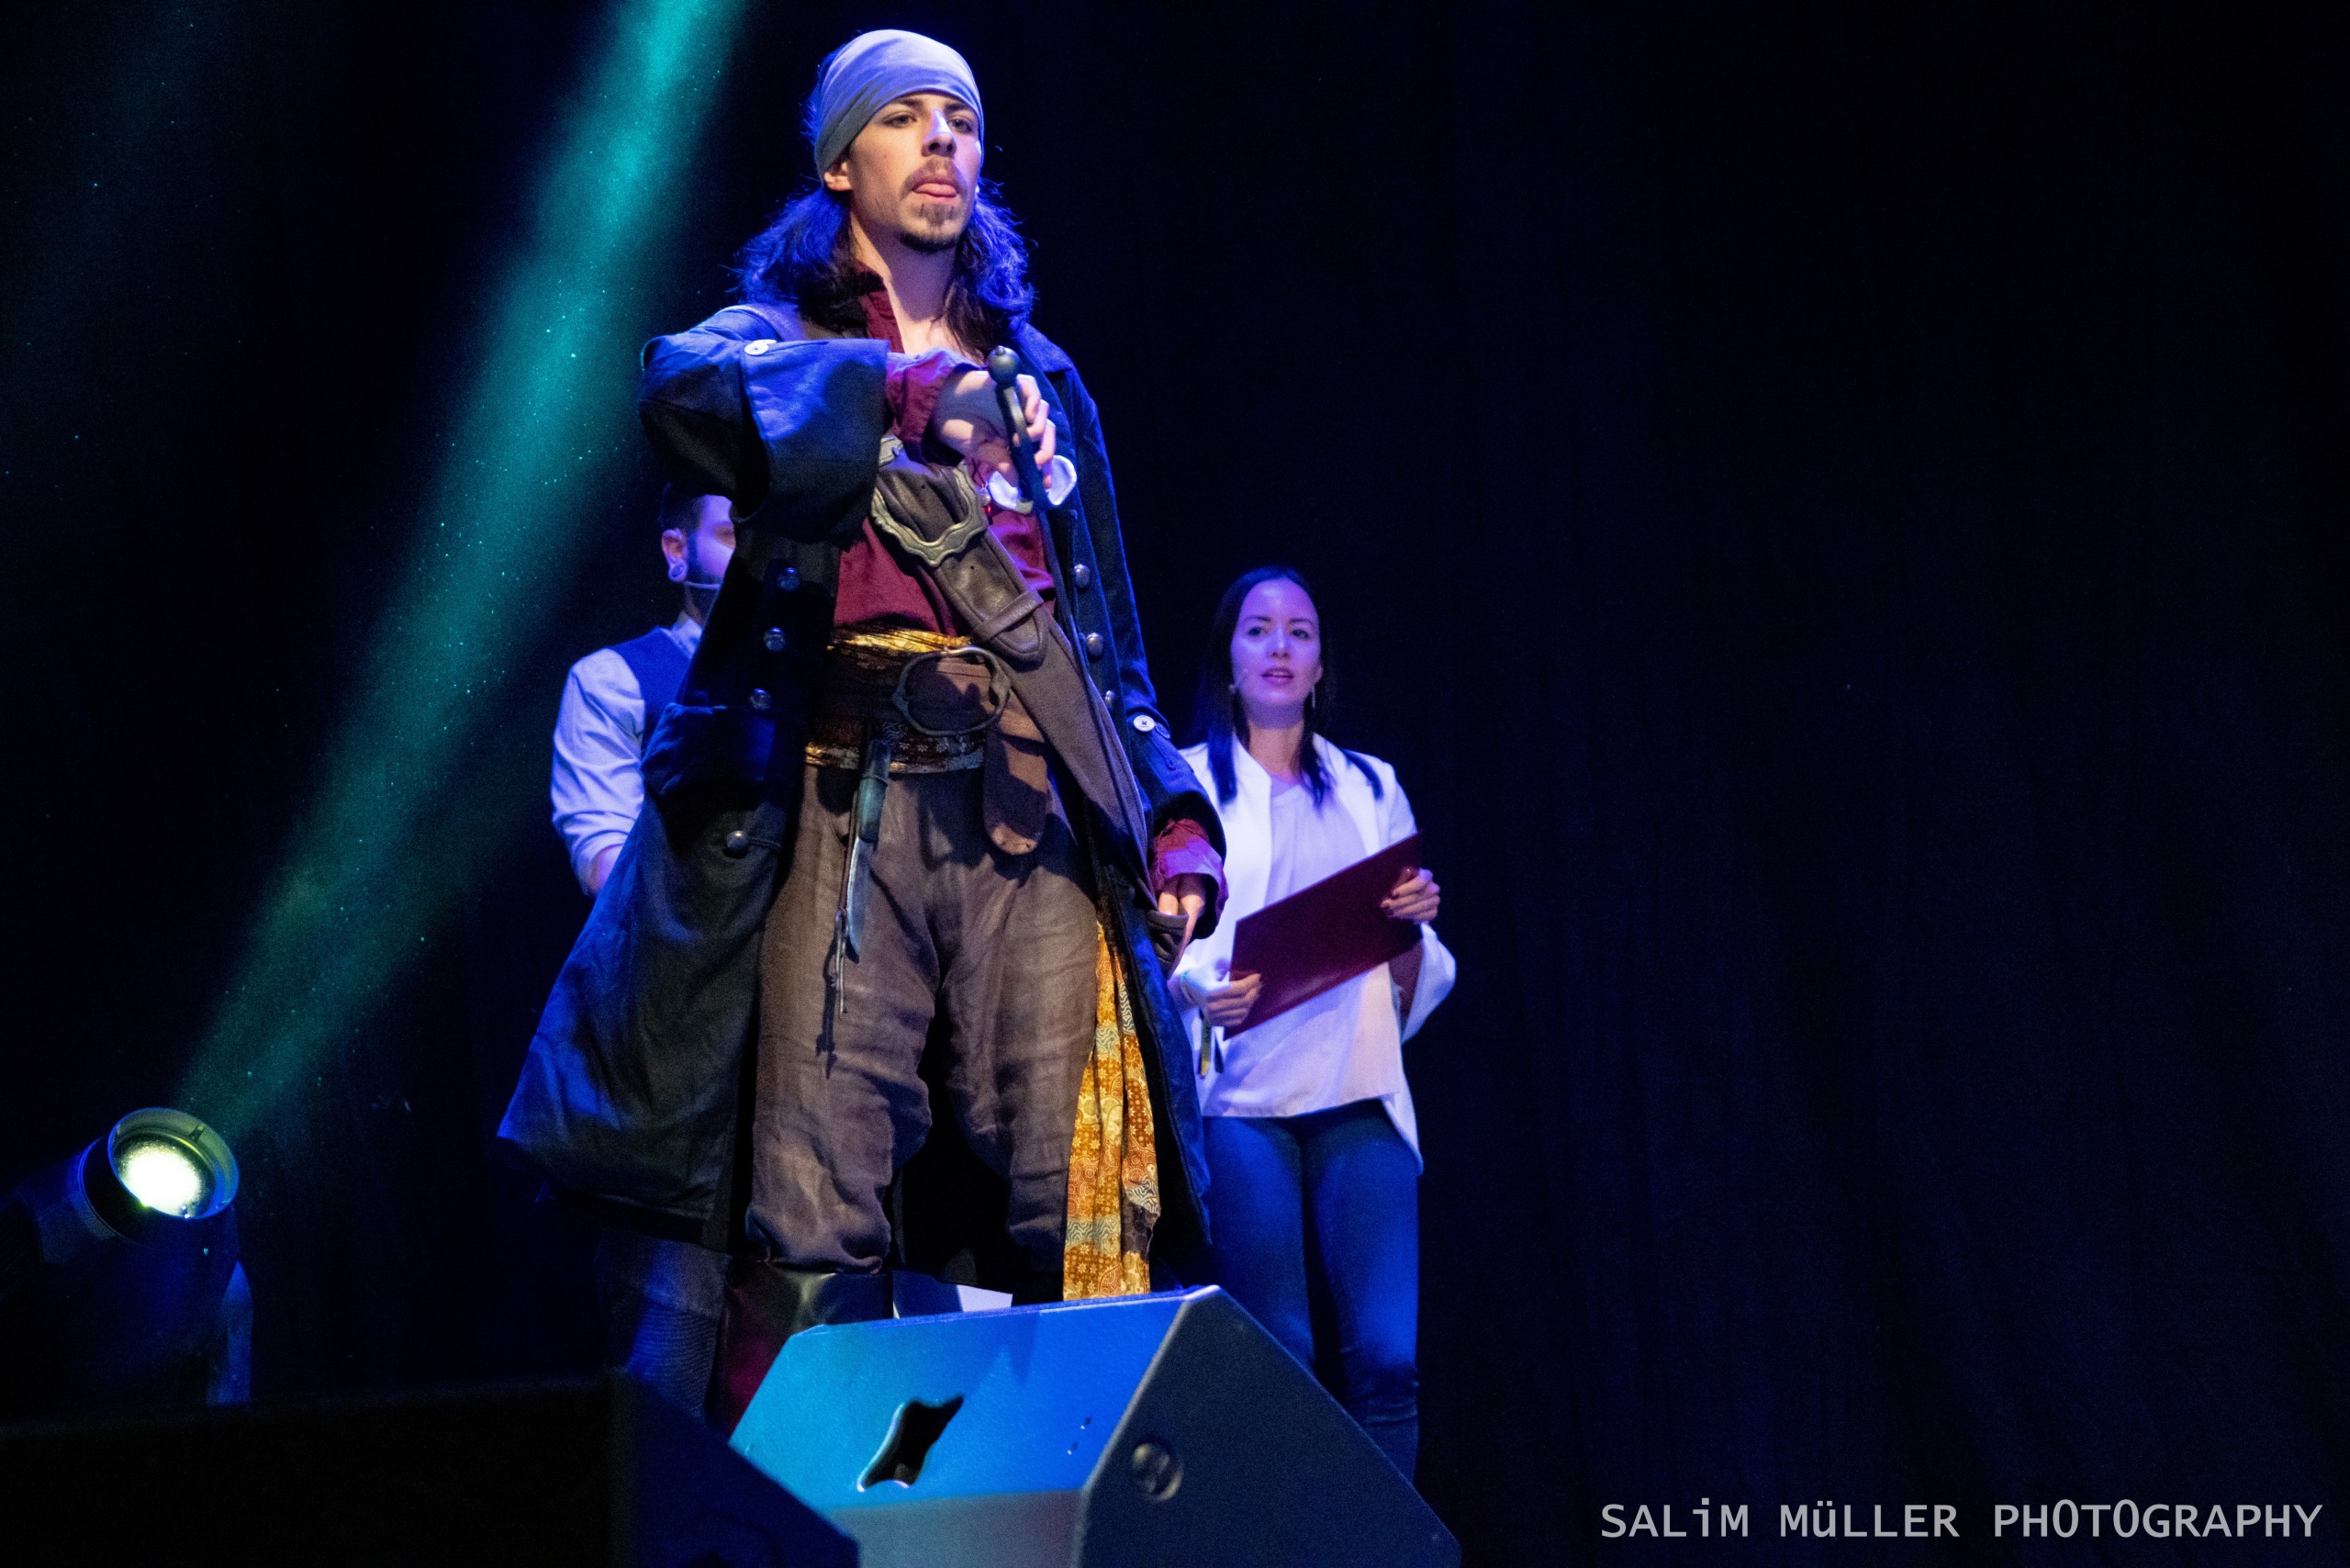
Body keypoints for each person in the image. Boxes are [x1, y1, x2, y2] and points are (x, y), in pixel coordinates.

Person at [499, 29, 1224, 1428]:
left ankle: (1075, 1491)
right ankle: (800, 1503)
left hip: (1024, 797)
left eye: (962, 117)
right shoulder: (769, 343)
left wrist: (1176, 818)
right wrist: (900, 395)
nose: (943, 139)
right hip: (836, 794)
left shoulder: (1042, 378)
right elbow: (675, 395)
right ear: (841, 163)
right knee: (810, 1193)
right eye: (904, 117)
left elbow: (1107, 643)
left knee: (1078, 1179)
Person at [1168, 566, 1454, 1480]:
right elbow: (1159, 942)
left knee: (1388, 1359)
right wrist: (1195, 989)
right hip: (1245, 1101)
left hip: (1356, 1089)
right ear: (1228, 659)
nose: (1281, 647)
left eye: (1300, 631)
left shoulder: (1372, 786)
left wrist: (1410, 927)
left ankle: (1384, 1544)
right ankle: (1287, 1535)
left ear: (1321, 663)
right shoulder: (1184, 785)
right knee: (1280, 1354)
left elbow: (1415, 970)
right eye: (1259, 630)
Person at [553, 488, 736, 896]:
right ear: (677, 550)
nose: (756, 557)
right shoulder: (610, 680)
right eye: (732, 536)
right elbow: (607, 867)